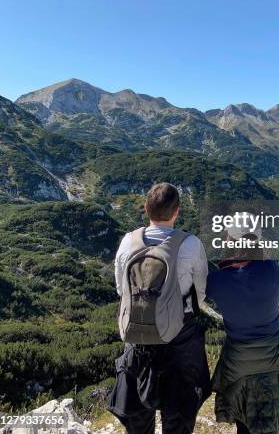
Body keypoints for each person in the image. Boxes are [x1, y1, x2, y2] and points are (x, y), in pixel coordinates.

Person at [108, 182, 210, 434]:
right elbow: (200, 293)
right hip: (179, 338)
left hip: (138, 337)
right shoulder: (191, 244)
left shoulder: (127, 242)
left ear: (146, 209)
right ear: (177, 212)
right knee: (178, 416)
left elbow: (122, 290)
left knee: (138, 419)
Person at [206, 214, 279, 434]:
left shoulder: (217, 281)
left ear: (230, 241)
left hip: (239, 363)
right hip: (277, 358)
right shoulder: (271, 270)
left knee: (244, 416)